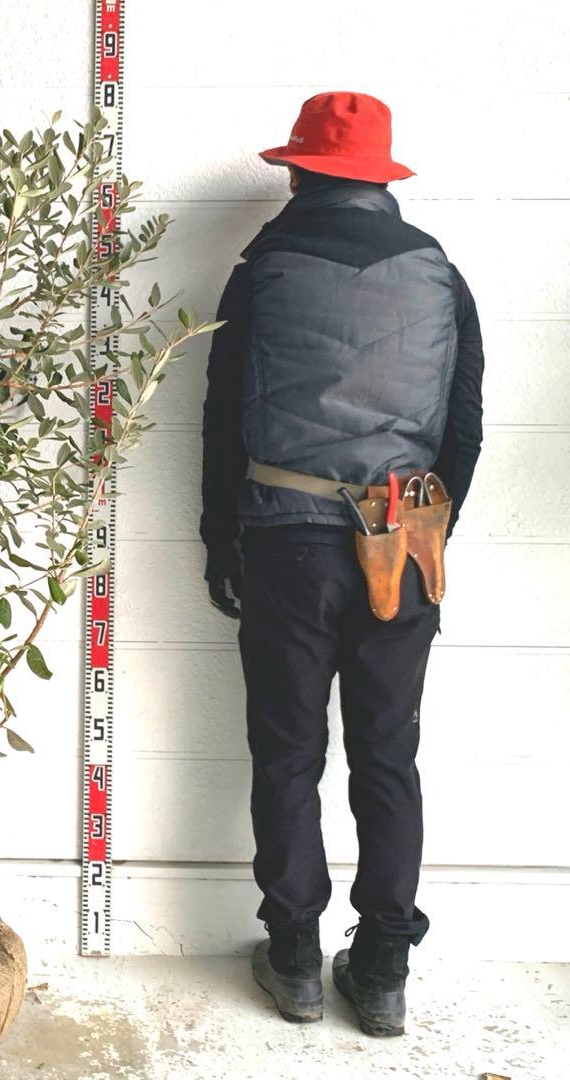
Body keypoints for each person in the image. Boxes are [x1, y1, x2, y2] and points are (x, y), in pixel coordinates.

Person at [199, 91, 485, 1036]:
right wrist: (423, 532)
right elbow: (464, 429)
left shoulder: (263, 269)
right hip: (402, 545)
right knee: (388, 754)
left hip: (284, 545)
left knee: (288, 752)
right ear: (379, 178)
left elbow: (223, 419)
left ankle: (294, 957)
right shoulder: (440, 273)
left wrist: (218, 537)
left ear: (299, 172)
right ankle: (385, 967)